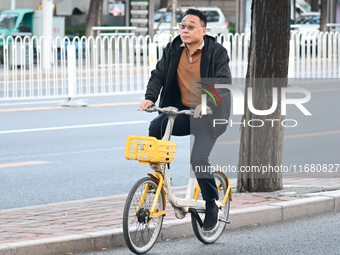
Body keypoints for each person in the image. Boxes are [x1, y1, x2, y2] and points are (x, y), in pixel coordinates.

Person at [140, 8, 231, 232]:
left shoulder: (216, 52)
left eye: (191, 27)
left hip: (209, 116)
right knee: (156, 126)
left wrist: (207, 103)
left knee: (198, 159)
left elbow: (222, 81)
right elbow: (159, 73)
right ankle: (162, 177)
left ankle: (211, 203)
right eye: (183, 26)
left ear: (203, 30)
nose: (185, 30)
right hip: (181, 112)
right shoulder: (173, 48)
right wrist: (150, 98)